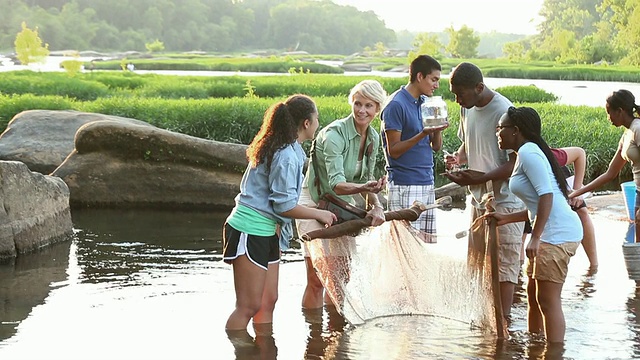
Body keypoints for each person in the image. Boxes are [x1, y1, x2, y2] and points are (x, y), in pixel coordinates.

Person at [223, 94, 336, 332]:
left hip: (269, 231)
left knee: (268, 300)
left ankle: (264, 350)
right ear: (306, 123)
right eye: (317, 118)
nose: (318, 123)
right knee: (249, 305)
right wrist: (319, 214)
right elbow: (283, 206)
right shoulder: (285, 154)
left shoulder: (293, 150)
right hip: (249, 228)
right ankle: (241, 350)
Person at [486, 106, 582, 344]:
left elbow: (546, 196)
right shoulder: (524, 153)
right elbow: (536, 206)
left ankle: (554, 352)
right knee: (533, 296)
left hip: (557, 235)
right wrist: (506, 218)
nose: (498, 133)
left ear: (515, 131)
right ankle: (535, 345)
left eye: (501, 128)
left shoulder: (529, 152)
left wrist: (535, 237)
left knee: (548, 302)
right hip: (550, 231)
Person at [443, 62, 526, 320]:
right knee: (478, 265)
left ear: (479, 87)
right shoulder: (467, 109)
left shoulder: (504, 111)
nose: (457, 101)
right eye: (454, 94)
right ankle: (487, 325)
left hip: (505, 202)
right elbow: (467, 146)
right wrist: (457, 160)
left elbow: (517, 161)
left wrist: (484, 176)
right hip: (478, 200)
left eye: (461, 95)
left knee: (504, 269)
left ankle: (503, 325)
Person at [296, 80, 388, 309]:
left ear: (377, 109)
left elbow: (366, 179)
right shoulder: (333, 135)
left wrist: (376, 205)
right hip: (314, 202)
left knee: (340, 279)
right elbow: (337, 184)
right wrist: (367, 188)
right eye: (358, 104)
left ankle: (336, 334)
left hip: (340, 205)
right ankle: (314, 338)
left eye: (368, 105)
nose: (361, 111)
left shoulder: (374, 138)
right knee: (317, 279)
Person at [380, 54, 448, 242]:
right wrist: (423, 133)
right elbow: (393, 150)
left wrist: (438, 129)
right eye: (434, 79)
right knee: (404, 246)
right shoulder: (396, 105)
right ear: (420, 77)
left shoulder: (426, 103)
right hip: (405, 183)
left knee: (424, 245)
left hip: (426, 180)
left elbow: (436, 147)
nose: (436, 85)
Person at [570, 90, 640, 242]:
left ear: (620, 111)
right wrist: (577, 193)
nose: (608, 118)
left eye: (609, 112)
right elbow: (610, 174)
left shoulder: (638, 129)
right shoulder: (626, 135)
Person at [521, 147, 598, 271]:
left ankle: (594, 266)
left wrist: (577, 190)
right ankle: (523, 269)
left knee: (581, 210)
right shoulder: (518, 162)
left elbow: (579, 153)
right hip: (531, 193)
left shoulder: (541, 155)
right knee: (525, 227)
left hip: (555, 178)